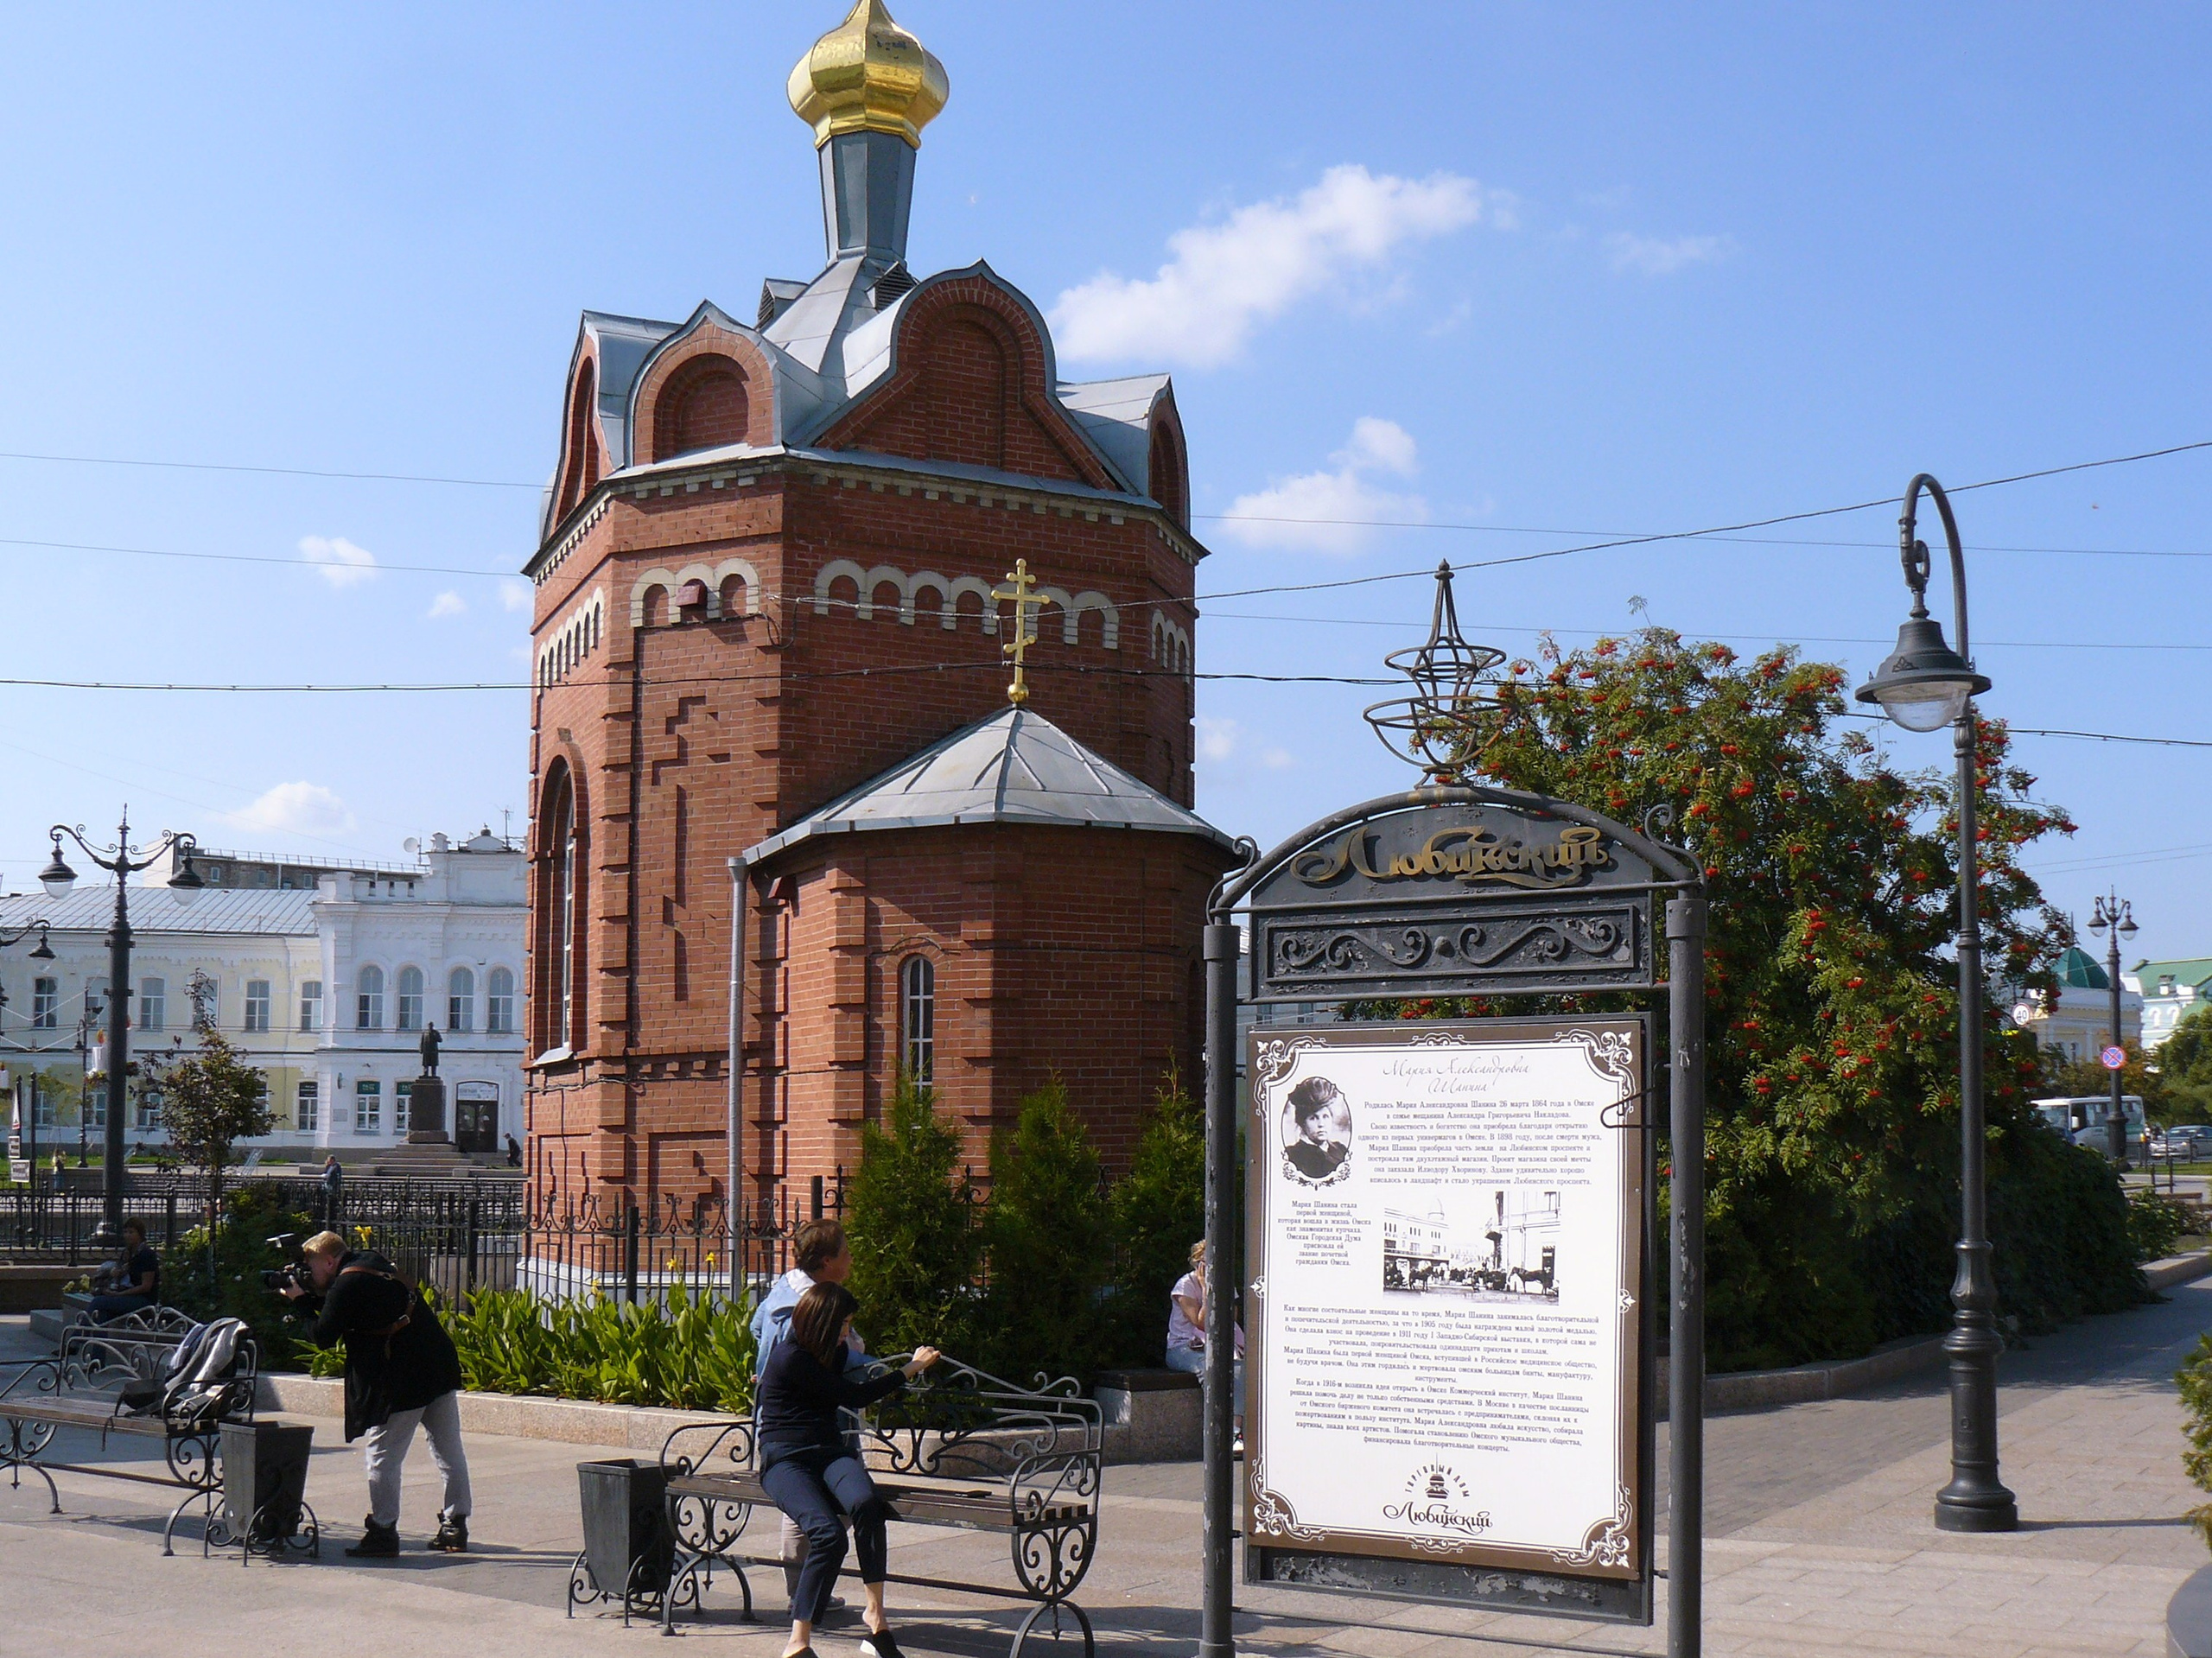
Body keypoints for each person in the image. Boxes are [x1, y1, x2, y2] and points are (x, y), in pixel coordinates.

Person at [759, 1282, 938, 1658]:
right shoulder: (791, 1357)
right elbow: (853, 1396)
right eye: (843, 1325)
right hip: (785, 1459)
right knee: (828, 1534)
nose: (847, 1333)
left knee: (868, 1504)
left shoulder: (833, 1351)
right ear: (821, 1323)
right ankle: (798, 1642)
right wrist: (910, 1369)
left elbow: (847, 1381)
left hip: (827, 1452)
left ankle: (876, 1621)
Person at [279, 1229, 471, 1558]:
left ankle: (383, 1531)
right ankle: (455, 1526)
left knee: (382, 1455)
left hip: (402, 1379)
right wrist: (311, 1297)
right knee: (448, 1451)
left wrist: (299, 1303)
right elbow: (349, 1308)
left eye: (312, 1267)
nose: (310, 1275)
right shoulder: (374, 1264)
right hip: (437, 1367)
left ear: (329, 1260)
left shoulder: (347, 1283)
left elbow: (323, 1334)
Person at [752, 1219, 867, 1610]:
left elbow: (755, 1329)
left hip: (805, 1424)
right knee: (823, 1510)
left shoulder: (782, 1294)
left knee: (813, 1509)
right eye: (845, 1252)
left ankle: (804, 1592)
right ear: (825, 1261)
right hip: (814, 1424)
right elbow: (806, 1366)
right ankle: (806, 1595)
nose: (851, 1258)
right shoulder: (803, 1308)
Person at [1166, 1241, 1244, 1453]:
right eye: (1207, 1263)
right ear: (1198, 1264)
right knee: (1208, 1367)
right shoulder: (1185, 1286)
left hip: (1218, 1346)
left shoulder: (1226, 1284)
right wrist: (1205, 1288)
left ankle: (1235, 1432)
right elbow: (1201, 1322)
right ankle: (1215, 1432)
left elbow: (1230, 1320)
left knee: (1238, 1367)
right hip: (1184, 1348)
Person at [86, 1218, 159, 1321]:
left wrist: (119, 1295)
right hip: (126, 1294)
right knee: (103, 1313)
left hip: (143, 1299)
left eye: (131, 1232)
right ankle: (96, 1336)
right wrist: (116, 1273)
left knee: (98, 1302)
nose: (127, 1235)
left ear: (140, 1234)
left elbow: (146, 1286)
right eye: (125, 1232)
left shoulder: (146, 1254)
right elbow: (122, 1275)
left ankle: (79, 1334)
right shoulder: (127, 1253)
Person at [1284, 1077, 1351, 1181]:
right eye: (1313, 1118)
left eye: (1325, 1117)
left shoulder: (1340, 1149)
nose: (1321, 1124)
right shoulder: (1292, 1155)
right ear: (1302, 1123)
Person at [319, 1154, 343, 1228]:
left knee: (331, 1197)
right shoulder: (329, 1166)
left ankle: (333, 1205)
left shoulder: (336, 1166)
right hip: (328, 1183)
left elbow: (336, 1175)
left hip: (332, 1184)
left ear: (332, 1160)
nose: (328, 1161)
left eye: (329, 1160)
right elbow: (327, 1173)